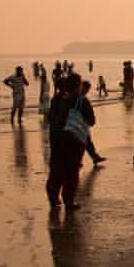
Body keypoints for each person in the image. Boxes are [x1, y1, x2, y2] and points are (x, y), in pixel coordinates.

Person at [46, 74, 94, 209]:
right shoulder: (81, 101)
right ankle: (69, 201)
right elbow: (92, 120)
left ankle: (53, 197)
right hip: (76, 139)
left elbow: (53, 119)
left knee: (58, 169)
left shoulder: (60, 100)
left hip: (59, 138)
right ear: (78, 85)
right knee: (72, 171)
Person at [80, 81, 106, 164]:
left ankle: (94, 157)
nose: (86, 91)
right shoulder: (83, 99)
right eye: (86, 89)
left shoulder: (73, 97)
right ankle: (94, 157)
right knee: (85, 142)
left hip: (77, 124)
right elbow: (89, 113)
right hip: (81, 124)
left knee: (85, 142)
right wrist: (92, 121)